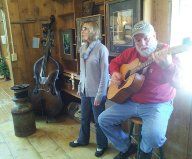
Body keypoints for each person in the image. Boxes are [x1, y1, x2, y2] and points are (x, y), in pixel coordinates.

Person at [98, 21, 180, 159]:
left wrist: (168, 66)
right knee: (103, 120)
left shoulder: (167, 53)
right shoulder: (131, 53)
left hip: (157, 104)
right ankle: (127, 147)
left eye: (146, 38)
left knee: (154, 137)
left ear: (154, 35)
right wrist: (115, 73)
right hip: (131, 101)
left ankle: (144, 151)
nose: (142, 43)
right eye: (137, 40)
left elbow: (180, 83)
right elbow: (114, 63)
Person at [69, 21, 109, 157]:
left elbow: (105, 75)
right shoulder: (83, 48)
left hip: (98, 92)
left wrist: (99, 95)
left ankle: (102, 144)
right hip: (85, 90)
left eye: (85, 28)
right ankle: (83, 140)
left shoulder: (101, 49)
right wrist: (80, 86)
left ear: (93, 31)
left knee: (99, 121)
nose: (82, 31)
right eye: (82, 29)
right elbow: (83, 70)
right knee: (84, 117)